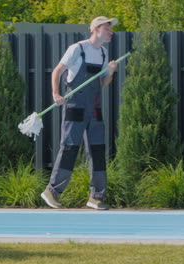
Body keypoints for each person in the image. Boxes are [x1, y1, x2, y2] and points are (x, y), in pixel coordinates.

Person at [41, 16, 119, 210]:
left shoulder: (103, 52)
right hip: (74, 106)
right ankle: (52, 191)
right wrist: (56, 93)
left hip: (94, 108)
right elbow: (57, 71)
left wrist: (109, 73)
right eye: (108, 29)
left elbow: (103, 83)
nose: (111, 32)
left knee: (98, 151)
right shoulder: (78, 48)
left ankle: (96, 197)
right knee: (69, 148)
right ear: (96, 29)